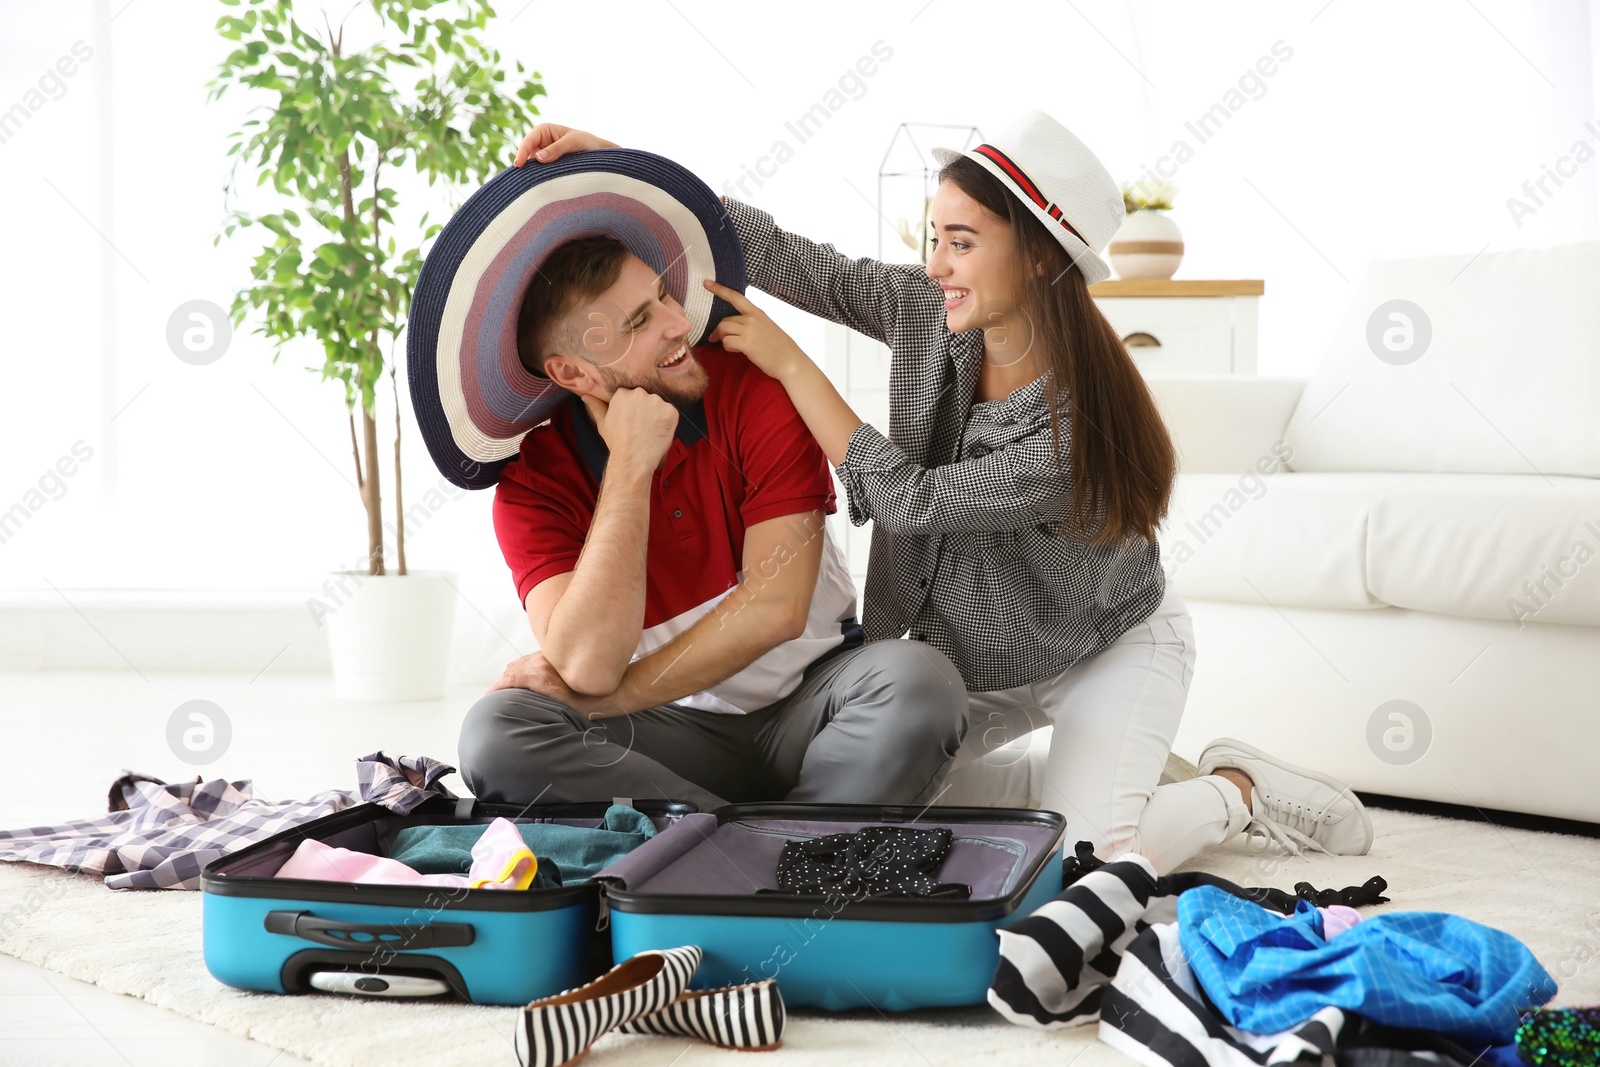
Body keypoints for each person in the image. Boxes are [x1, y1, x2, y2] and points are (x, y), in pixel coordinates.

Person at [515, 114, 1373, 872]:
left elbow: (913, 501)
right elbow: (787, 256)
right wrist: (632, 167)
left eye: (961, 242)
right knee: (915, 824)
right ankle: (1126, 776)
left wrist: (787, 360)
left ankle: (1234, 789)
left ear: (1039, 257)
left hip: (1101, 648)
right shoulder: (929, 312)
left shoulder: (1073, 428)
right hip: (972, 665)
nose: (936, 265)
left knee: (1078, 865)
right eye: (933, 237)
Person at [456, 229, 968, 812]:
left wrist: (610, 701)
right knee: (495, 732)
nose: (678, 324)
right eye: (638, 323)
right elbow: (587, 664)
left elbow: (776, 609)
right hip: (668, 736)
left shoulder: (751, 387)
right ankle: (766, 846)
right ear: (573, 374)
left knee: (921, 678)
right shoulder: (533, 485)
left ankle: (725, 850)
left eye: (662, 296)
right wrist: (629, 465)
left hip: (816, 705)